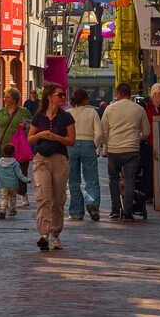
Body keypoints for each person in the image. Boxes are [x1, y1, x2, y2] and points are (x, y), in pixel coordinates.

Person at [29, 83, 75, 251]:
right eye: (59, 95)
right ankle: (43, 234)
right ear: (49, 97)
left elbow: (71, 140)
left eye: (63, 95)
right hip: (41, 159)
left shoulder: (66, 117)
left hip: (59, 160)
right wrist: (41, 135)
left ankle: (55, 234)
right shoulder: (39, 116)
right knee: (43, 196)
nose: (63, 97)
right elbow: (30, 139)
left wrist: (56, 137)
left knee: (58, 199)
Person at [101, 82, 151, 222]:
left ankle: (115, 210)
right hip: (131, 150)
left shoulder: (110, 109)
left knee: (113, 180)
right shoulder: (139, 109)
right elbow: (146, 132)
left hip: (114, 150)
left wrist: (105, 148)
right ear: (129, 94)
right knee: (130, 180)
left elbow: (104, 131)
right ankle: (128, 212)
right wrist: (137, 138)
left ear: (118, 94)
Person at [0, 88, 33, 207]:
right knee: (5, 173)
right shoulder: (0, 112)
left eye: (7, 97)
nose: (5, 99)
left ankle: (23, 194)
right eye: (5, 97)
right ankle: (4, 198)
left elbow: (32, 126)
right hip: (5, 147)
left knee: (21, 172)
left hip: (20, 147)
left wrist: (25, 126)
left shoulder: (24, 112)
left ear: (14, 99)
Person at [67, 89, 104, 222]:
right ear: (85, 100)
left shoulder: (68, 113)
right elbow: (99, 133)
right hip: (88, 144)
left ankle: (76, 212)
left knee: (73, 180)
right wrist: (96, 145)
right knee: (91, 178)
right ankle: (92, 203)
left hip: (71, 145)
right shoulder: (92, 112)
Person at [0, 141, 22, 219]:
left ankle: (2, 211)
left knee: (3, 198)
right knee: (13, 197)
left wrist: (0, 179)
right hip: (13, 185)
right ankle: (12, 210)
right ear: (13, 153)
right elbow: (19, 174)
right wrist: (26, 180)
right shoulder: (15, 163)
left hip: (4, 184)